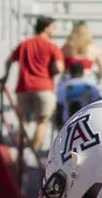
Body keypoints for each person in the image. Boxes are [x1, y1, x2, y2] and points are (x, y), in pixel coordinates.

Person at [7, 15, 64, 160]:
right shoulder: (52, 46)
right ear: (46, 28)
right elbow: (59, 67)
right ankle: (32, 154)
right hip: (44, 86)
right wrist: (51, 72)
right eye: (53, 27)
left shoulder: (25, 44)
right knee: (42, 121)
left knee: (23, 121)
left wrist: (5, 76)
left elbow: (9, 60)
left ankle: (20, 155)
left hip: (24, 86)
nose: (54, 30)